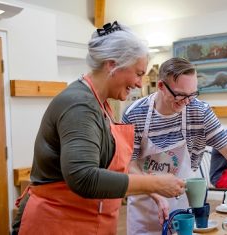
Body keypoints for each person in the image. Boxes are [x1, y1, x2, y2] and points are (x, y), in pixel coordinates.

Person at [12, 21, 185, 235]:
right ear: (112, 64)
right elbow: (84, 177)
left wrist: (153, 191)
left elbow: (109, 168)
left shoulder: (100, 104)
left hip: (88, 222)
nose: (140, 84)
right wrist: (154, 184)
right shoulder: (80, 105)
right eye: (138, 73)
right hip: (57, 223)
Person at [122, 57, 227, 235]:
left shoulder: (199, 111)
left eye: (192, 94)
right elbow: (129, 164)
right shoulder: (135, 114)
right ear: (161, 86)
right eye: (180, 95)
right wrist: (155, 192)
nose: (187, 102)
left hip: (183, 205)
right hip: (145, 206)